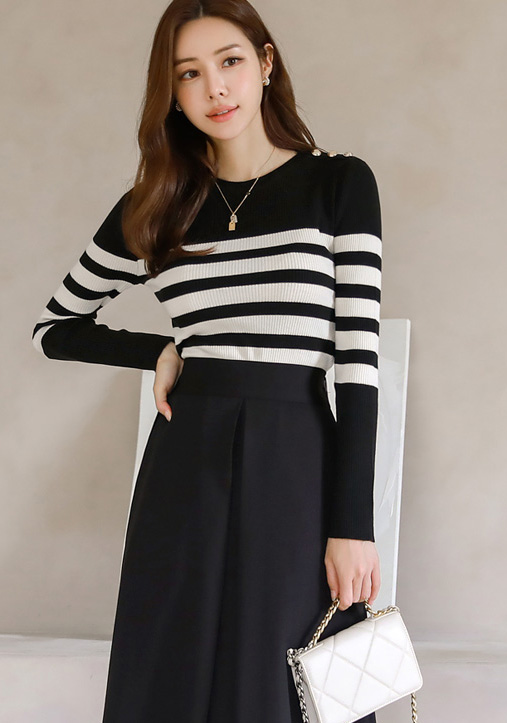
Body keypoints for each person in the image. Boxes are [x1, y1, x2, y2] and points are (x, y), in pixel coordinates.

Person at [31, 1, 383, 721]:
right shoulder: (157, 205)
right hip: (184, 467)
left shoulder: (339, 184)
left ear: (265, 62)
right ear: (171, 92)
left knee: (289, 677)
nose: (214, 88)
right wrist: (159, 350)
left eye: (229, 62)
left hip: (297, 464)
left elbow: (357, 364)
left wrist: (354, 525)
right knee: (173, 670)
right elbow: (55, 327)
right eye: (188, 74)